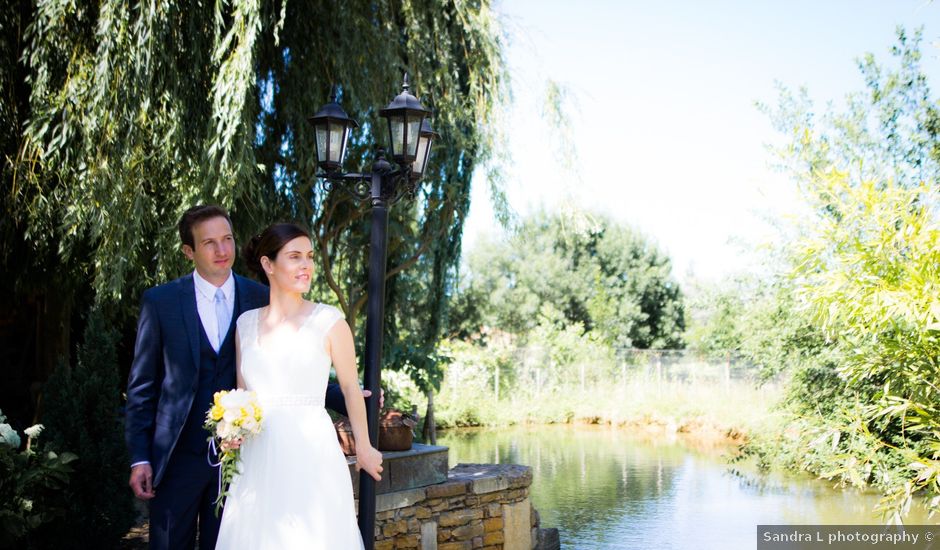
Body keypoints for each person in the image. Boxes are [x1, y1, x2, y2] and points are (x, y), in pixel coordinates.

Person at [124, 206, 364, 549]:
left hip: (242, 462)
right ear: (188, 251)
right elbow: (142, 386)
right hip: (178, 457)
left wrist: (348, 396)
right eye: (209, 243)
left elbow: (285, 372)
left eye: (228, 239)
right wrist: (140, 456)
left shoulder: (260, 296)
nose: (222, 251)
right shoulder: (161, 302)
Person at [214, 223, 382, 549]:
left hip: (311, 453)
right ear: (268, 265)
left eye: (309, 256)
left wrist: (363, 445)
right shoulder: (245, 324)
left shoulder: (330, 322)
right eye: (294, 257)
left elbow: (349, 388)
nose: (306, 265)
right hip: (257, 456)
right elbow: (242, 393)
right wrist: (231, 430)